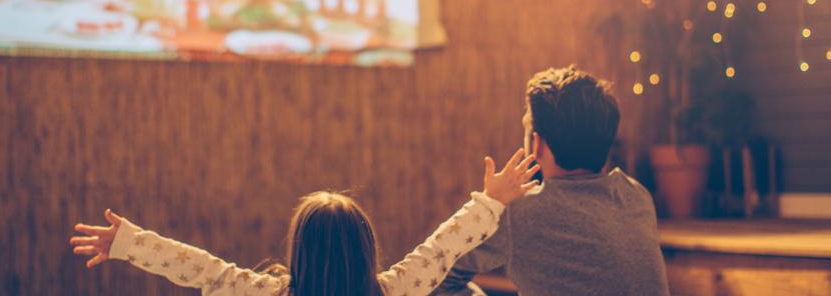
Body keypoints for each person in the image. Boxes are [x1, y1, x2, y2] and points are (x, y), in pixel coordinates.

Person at [69, 151, 541, 295]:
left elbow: (201, 270)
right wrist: (492, 200)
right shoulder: (394, 290)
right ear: (365, 247)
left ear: (299, 251)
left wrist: (128, 243)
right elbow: (442, 248)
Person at [432, 66, 671, 296]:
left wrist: (488, 204)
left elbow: (436, 276)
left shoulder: (520, 213)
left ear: (537, 145)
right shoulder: (635, 195)